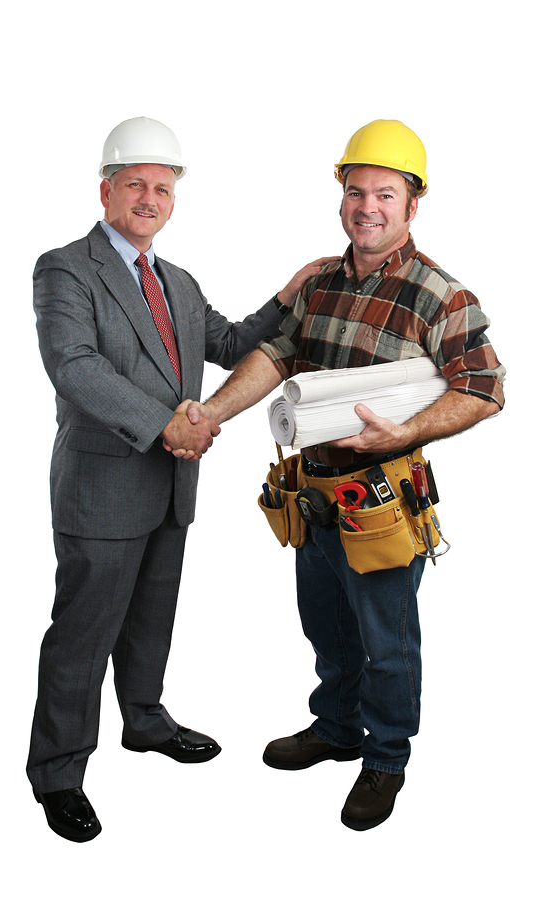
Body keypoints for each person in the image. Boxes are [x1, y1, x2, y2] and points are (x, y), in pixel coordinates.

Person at [169, 120, 506, 831]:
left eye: (386, 194)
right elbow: (277, 356)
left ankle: (385, 759)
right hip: (313, 496)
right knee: (326, 626)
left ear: (413, 205)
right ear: (341, 197)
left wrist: (409, 430)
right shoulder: (320, 281)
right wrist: (214, 416)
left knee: (388, 639)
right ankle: (337, 728)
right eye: (357, 192)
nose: (368, 207)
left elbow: (483, 387)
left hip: (382, 497)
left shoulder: (439, 295)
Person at [28, 115, 333, 842]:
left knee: (149, 618)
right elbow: (74, 367)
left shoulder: (179, 281)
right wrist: (166, 423)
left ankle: (145, 719)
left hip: (170, 488)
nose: (149, 197)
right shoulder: (66, 268)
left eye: (162, 187)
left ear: (173, 200)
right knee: (82, 634)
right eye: (134, 183)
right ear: (106, 191)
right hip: (102, 488)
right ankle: (59, 772)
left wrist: (287, 298)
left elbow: (227, 344)